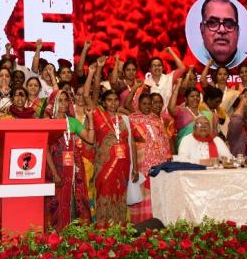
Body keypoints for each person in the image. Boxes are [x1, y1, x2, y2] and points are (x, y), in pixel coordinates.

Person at [83, 63, 134, 225]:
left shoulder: (123, 120)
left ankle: (120, 229)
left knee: (120, 198)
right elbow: (86, 95)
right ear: (104, 103)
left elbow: (129, 143)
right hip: (104, 166)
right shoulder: (98, 116)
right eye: (109, 100)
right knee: (104, 196)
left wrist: (134, 168)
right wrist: (93, 71)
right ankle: (102, 232)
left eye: (115, 100)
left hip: (123, 167)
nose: (113, 103)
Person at [44, 90, 94, 230]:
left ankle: (73, 237)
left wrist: (90, 119)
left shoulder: (72, 121)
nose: (64, 103)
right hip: (55, 169)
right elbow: (46, 149)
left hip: (73, 171)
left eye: (66, 100)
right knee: (55, 203)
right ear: (53, 102)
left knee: (74, 201)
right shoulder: (48, 122)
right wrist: (54, 172)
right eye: (60, 100)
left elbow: (90, 139)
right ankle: (56, 236)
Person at [128, 93, 170, 224]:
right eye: (144, 104)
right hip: (142, 160)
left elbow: (164, 139)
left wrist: (168, 156)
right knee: (144, 190)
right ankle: (142, 222)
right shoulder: (132, 119)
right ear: (138, 105)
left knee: (157, 190)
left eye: (149, 104)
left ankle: (159, 219)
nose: (147, 106)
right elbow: (130, 140)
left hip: (159, 160)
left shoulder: (157, 120)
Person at [199, 0, 240, 67]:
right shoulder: (189, 63)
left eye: (229, 24)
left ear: (237, 31)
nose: (222, 30)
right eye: (212, 23)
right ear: (202, 29)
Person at [168, 83, 209, 150]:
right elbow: (171, 108)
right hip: (185, 148)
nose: (195, 98)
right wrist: (177, 87)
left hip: (202, 149)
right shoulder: (181, 111)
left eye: (197, 96)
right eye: (192, 96)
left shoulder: (204, 114)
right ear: (186, 99)